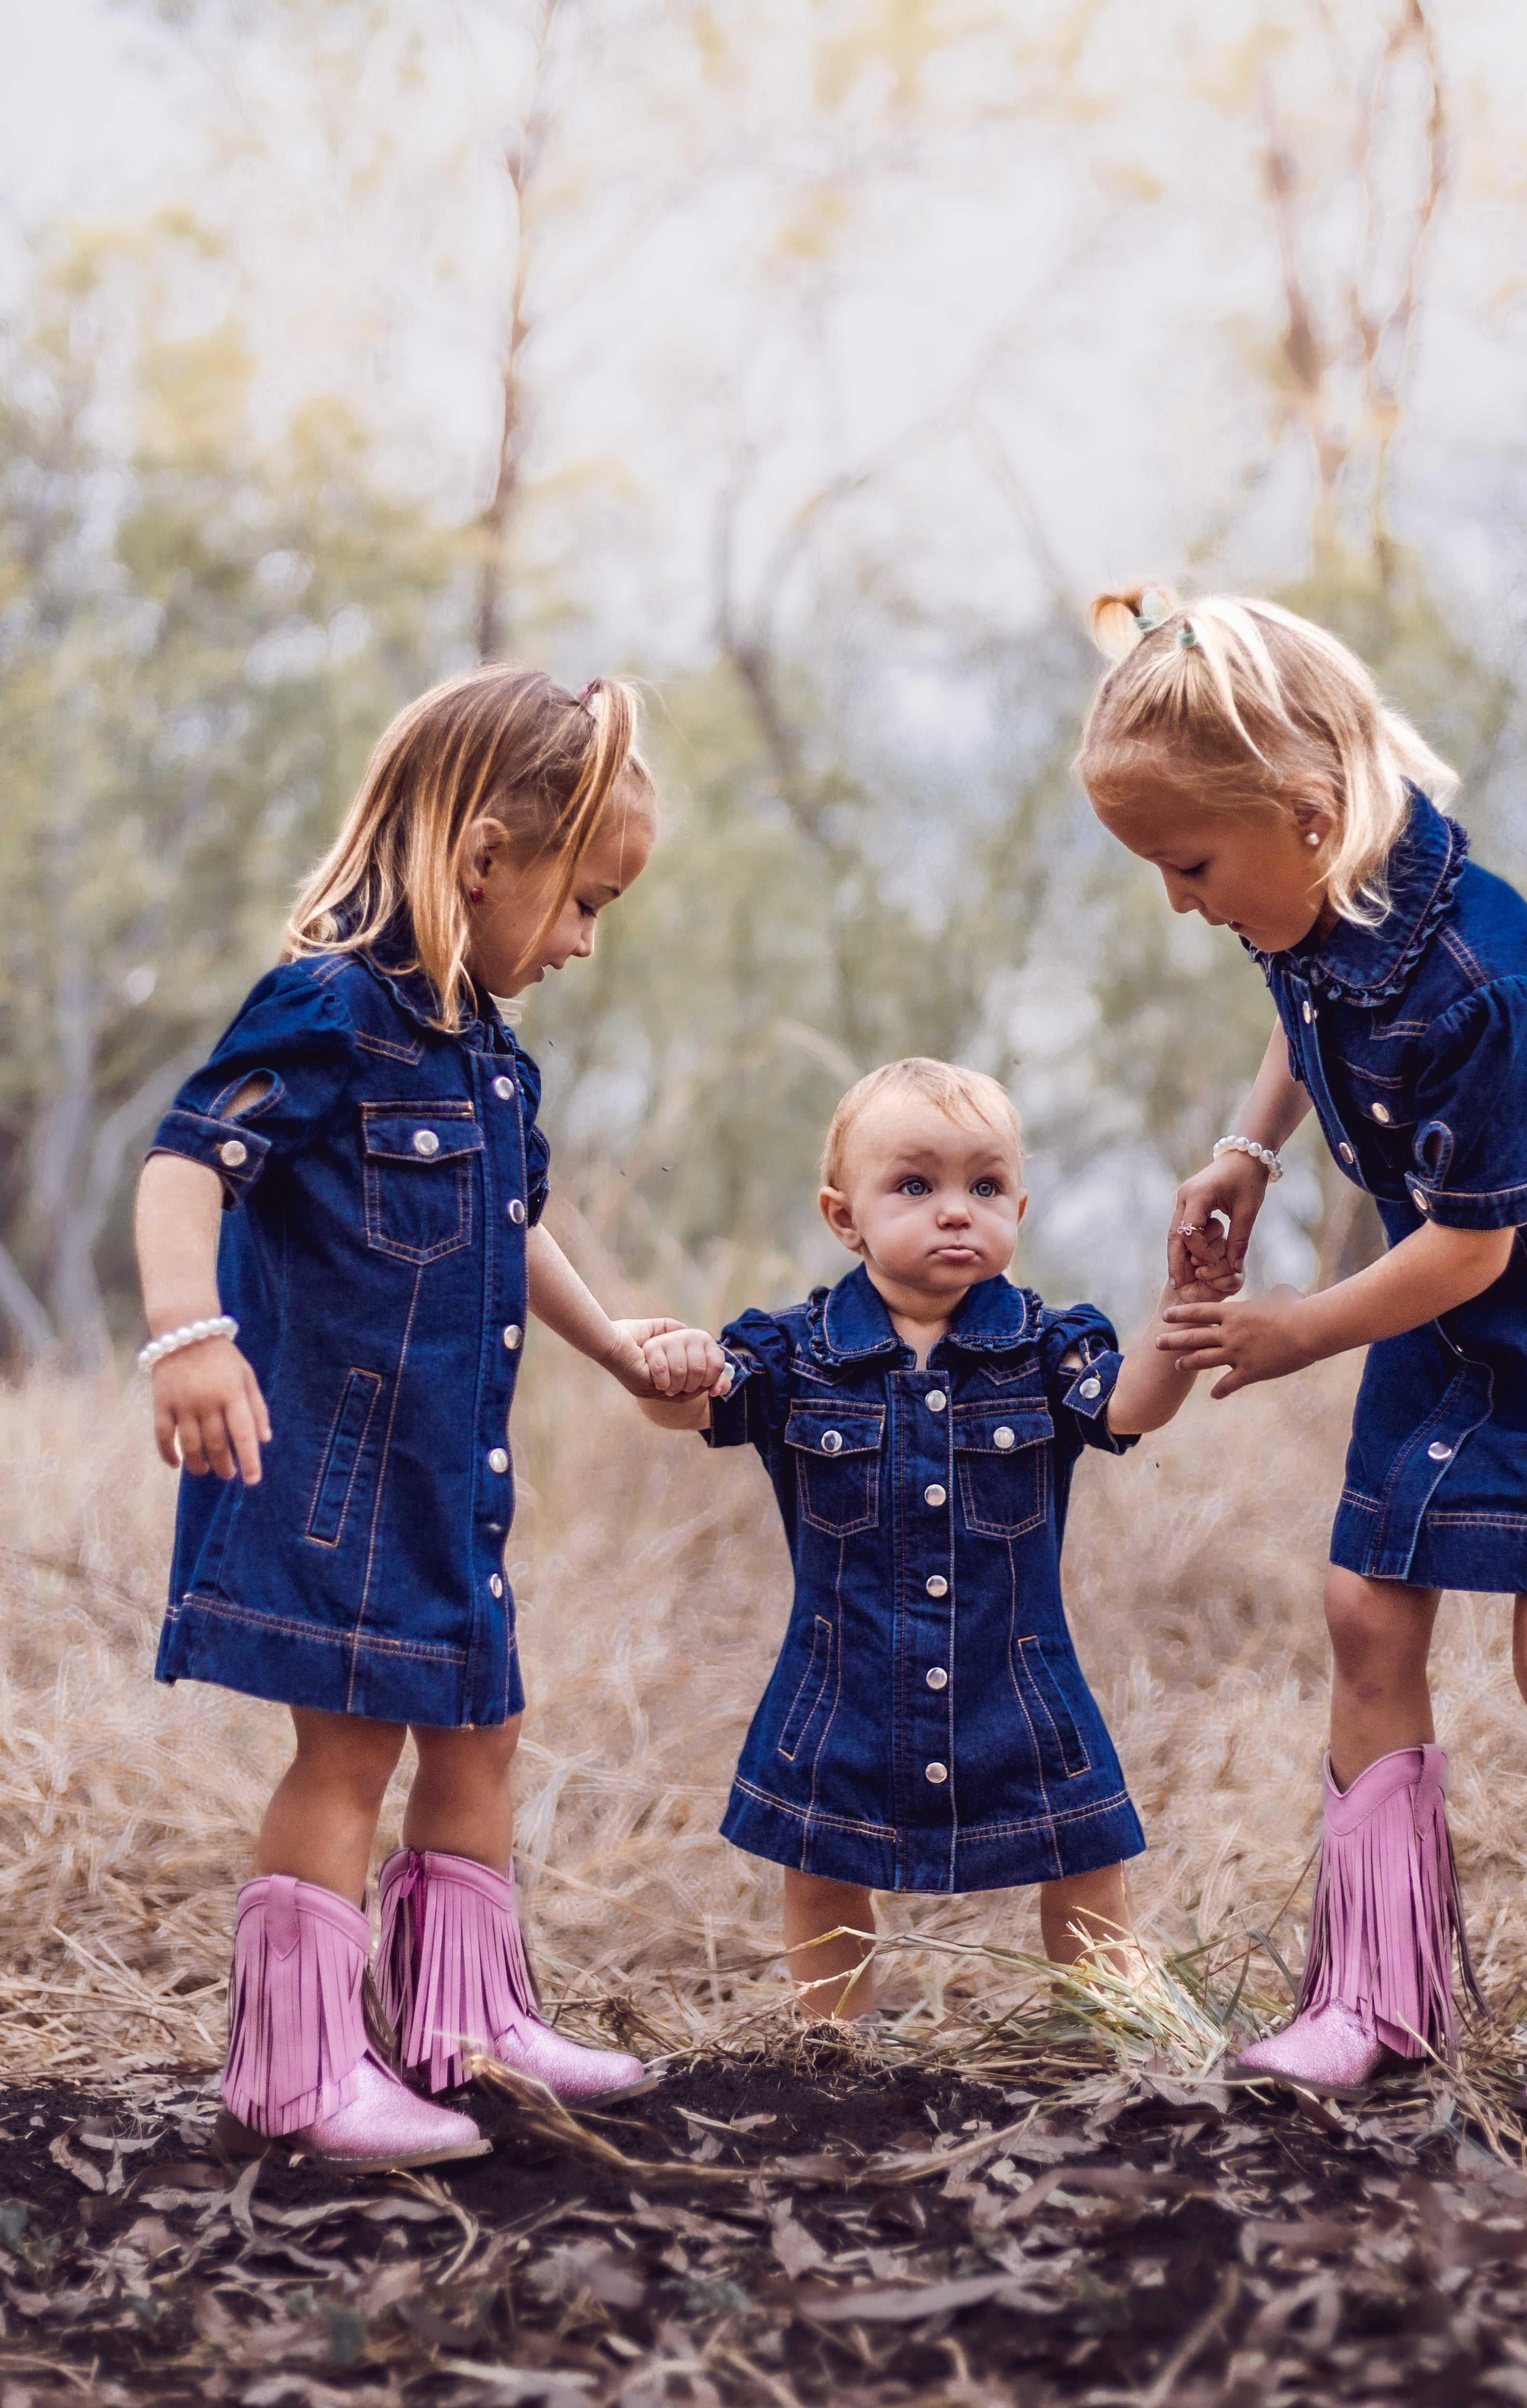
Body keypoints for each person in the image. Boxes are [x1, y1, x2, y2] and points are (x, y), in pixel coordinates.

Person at [1078, 589, 1527, 2125]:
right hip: (1439, 1294)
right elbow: (1310, 1016)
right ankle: (1374, 1994)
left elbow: (1477, 1248)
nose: (1180, 903)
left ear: (1304, 812)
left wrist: (1297, 1329)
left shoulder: (1483, 975)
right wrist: (1247, 1148)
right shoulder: (1309, 891)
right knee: (1365, 1609)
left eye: (1188, 866)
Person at [134, 665, 724, 2170]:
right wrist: (188, 1338)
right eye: (584, 899)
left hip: (445, 1476)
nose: (588, 939)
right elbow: (184, 1163)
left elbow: (512, 1221)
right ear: (481, 859)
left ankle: (462, 2018)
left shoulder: (481, 1047)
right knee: (347, 1754)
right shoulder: (329, 1006)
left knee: (483, 1721)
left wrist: (610, 1346)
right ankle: (297, 2073)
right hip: (324, 1470)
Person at [638, 1057, 1203, 2018]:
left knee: (1082, 1854)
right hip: (846, 1679)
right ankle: (840, 2045)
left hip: (1013, 1674)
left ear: (1018, 1206)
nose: (955, 1210)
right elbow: (694, 1411)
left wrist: (1179, 1324)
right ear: (841, 1217)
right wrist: (671, 1371)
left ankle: (1124, 2022)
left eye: (984, 1187)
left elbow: (1127, 1406)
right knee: (821, 1866)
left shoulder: (1045, 1343)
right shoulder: (794, 1351)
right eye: (915, 1184)